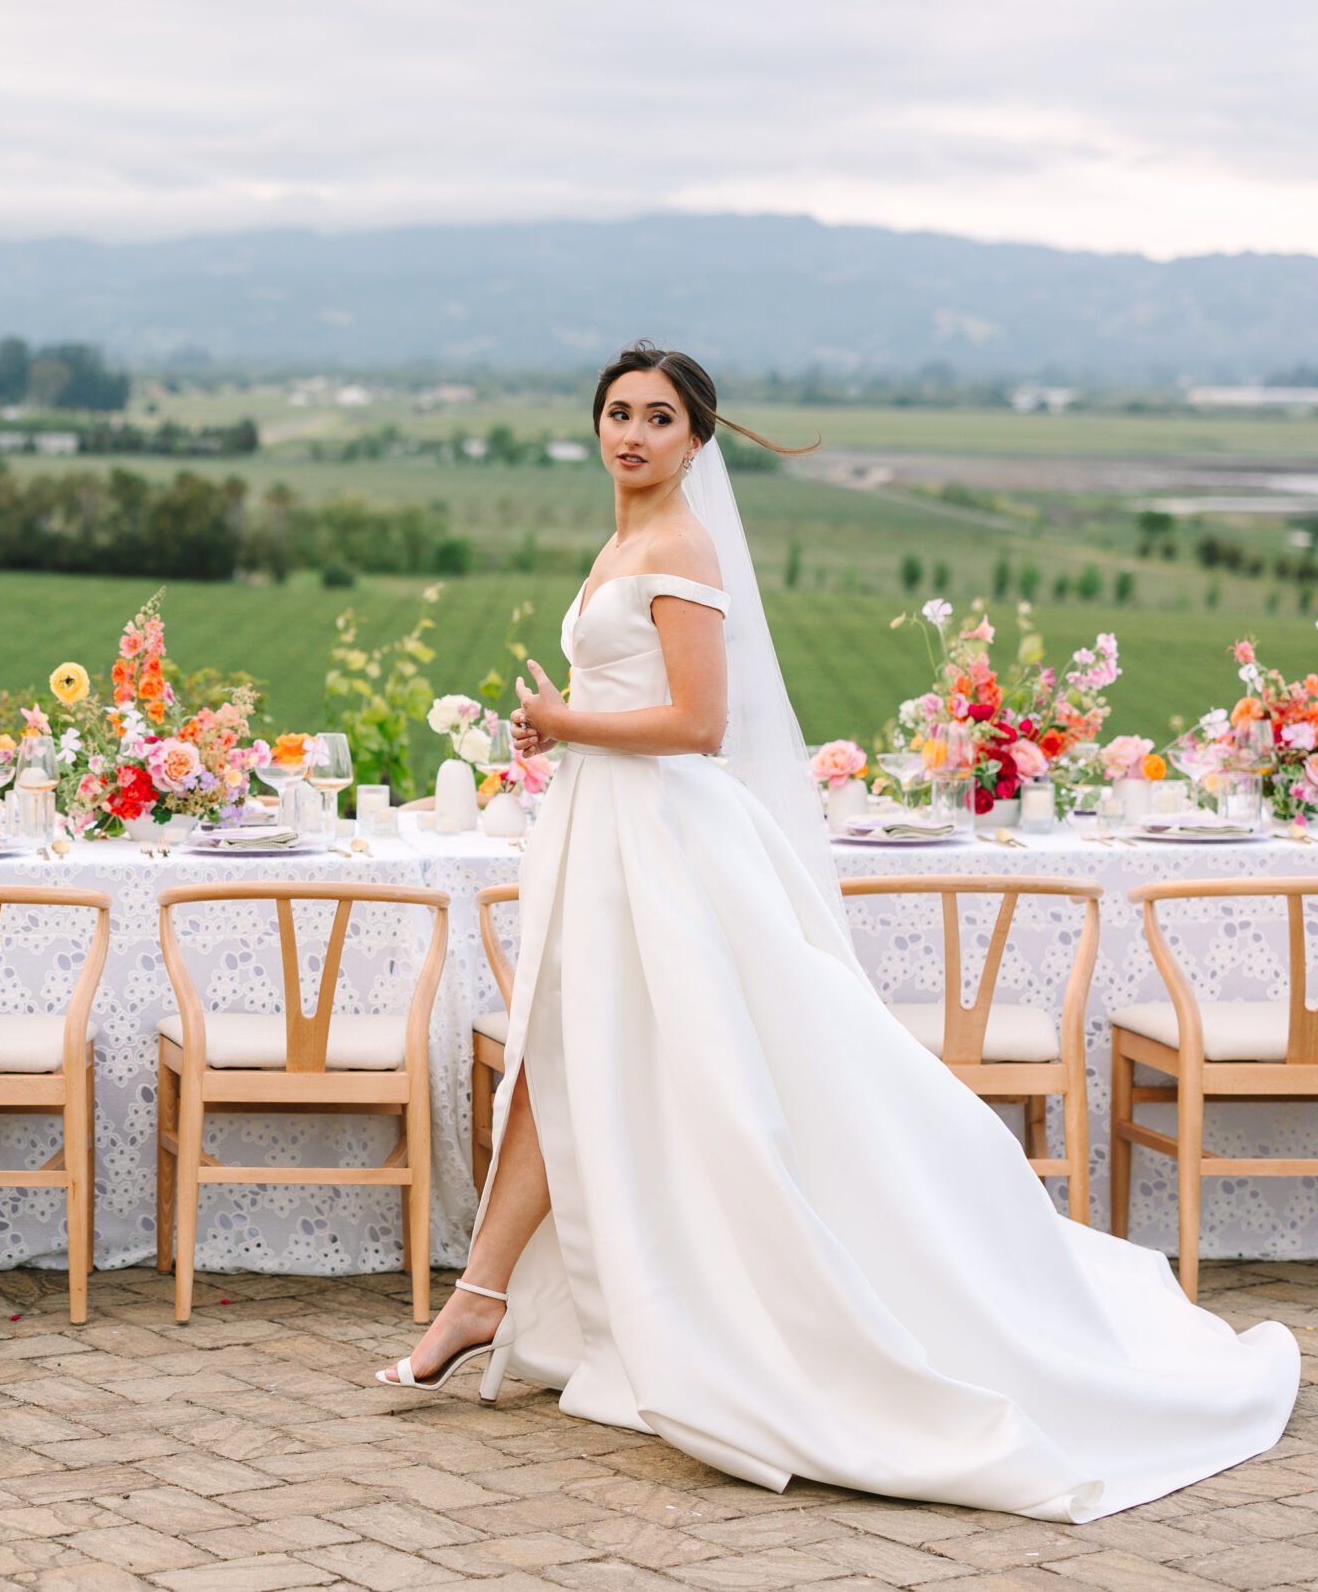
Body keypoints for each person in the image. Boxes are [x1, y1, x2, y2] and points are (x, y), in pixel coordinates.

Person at [376, 343, 1298, 1522]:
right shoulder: (619, 544)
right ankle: (482, 1294)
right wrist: (567, 729)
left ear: (696, 442)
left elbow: (700, 723)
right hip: (602, 838)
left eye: (660, 418)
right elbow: (632, 702)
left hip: (662, 846)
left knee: (697, 1070)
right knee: (556, 1060)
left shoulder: (678, 547)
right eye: (617, 413)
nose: (634, 434)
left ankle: (598, 1299)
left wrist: (567, 719)